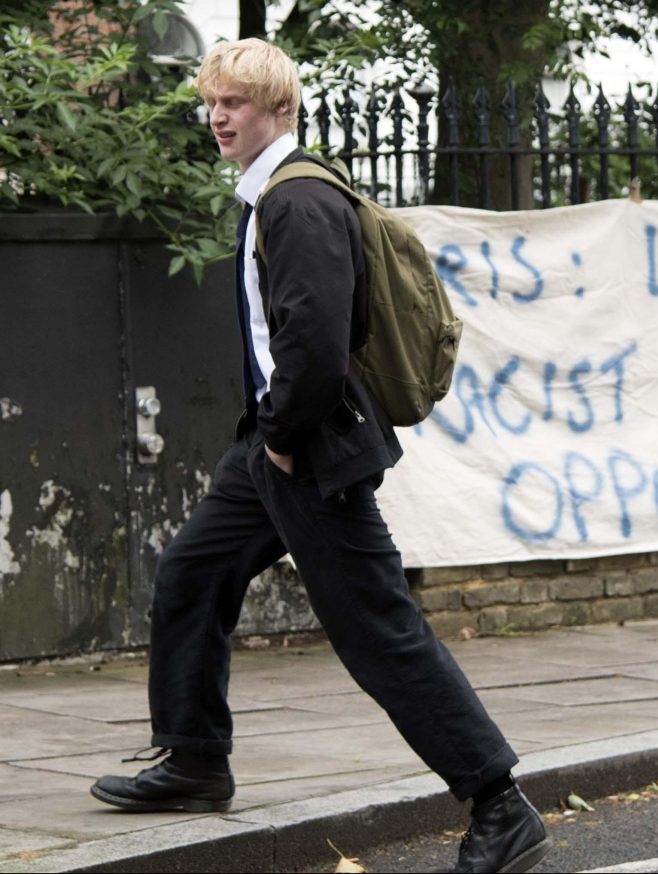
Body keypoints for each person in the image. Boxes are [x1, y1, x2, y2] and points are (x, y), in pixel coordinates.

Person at [90, 38, 551, 874]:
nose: (217, 116)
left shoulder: (296, 203)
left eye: (233, 102)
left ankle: (499, 804)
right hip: (271, 451)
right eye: (212, 102)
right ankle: (195, 758)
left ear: (276, 108)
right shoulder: (273, 195)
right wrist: (265, 444)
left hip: (309, 449)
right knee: (192, 575)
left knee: (379, 631)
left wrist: (283, 440)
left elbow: (316, 345)